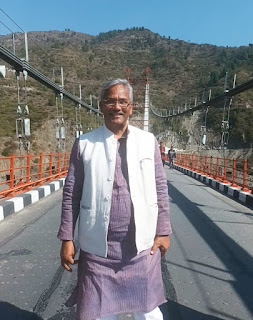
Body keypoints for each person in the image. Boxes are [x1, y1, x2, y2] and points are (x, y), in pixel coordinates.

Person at [58, 79, 172, 320]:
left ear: (131, 107)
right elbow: (71, 194)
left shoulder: (147, 141)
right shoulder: (84, 144)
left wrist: (163, 231)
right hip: (98, 248)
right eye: (110, 101)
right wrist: (67, 238)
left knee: (149, 312)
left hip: (141, 246)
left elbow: (160, 188)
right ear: (101, 106)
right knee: (98, 314)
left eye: (122, 101)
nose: (116, 107)